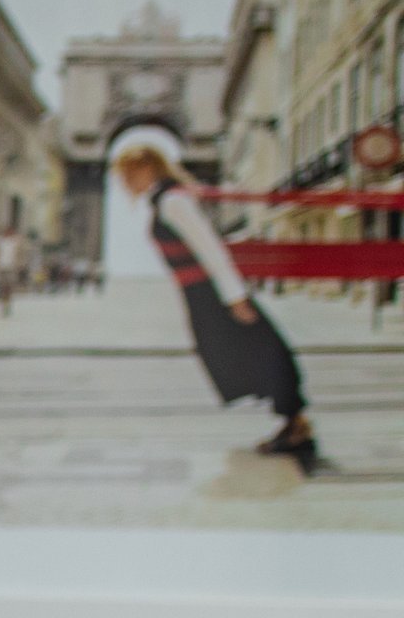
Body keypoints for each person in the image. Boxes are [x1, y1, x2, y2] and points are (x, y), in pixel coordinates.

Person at [113, 128, 322, 475]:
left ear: (148, 168)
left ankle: (296, 425)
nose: (125, 181)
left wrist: (236, 298)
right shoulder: (164, 199)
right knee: (243, 354)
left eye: (129, 173)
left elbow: (211, 250)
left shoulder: (173, 201)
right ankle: (292, 422)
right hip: (203, 294)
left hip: (214, 294)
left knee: (257, 351)